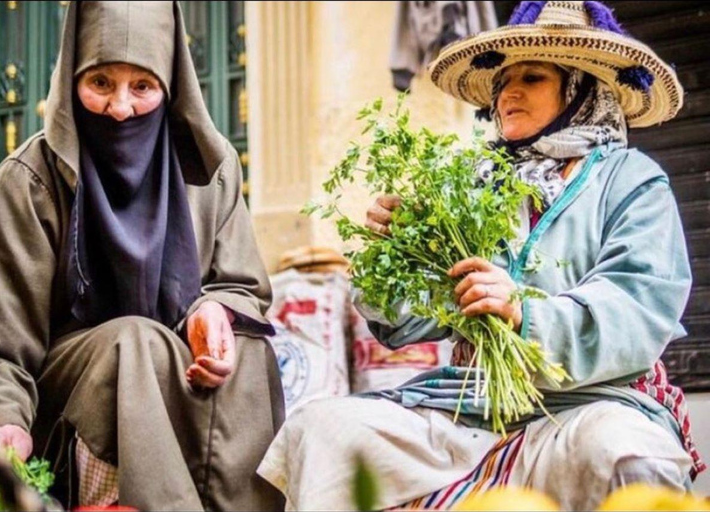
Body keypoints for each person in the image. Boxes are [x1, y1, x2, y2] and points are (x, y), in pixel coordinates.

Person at [257, 2, 704, 510]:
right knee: (323, 430)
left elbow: (638, 305)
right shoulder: (473, 186)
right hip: (469, 410)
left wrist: (524, 313)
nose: (506, 93)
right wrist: (398, 253)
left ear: (581, 88)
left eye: (531, 77)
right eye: (503, 80)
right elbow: (404, 325)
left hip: (591, 405)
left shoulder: (630, 181)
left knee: (624, 454)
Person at [0, 2, 284, 510]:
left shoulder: (212, 170)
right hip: (69, 399)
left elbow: (242, 287)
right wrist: (1, 421)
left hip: (173, 378)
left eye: (142, 86)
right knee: (134, 340)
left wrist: (214, 310)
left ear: (170, 85)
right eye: (100, 82)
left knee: (251, 352)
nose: (120, 108)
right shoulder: (28, 182)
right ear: (71, 78)